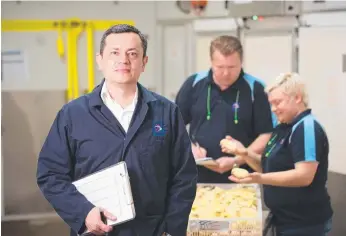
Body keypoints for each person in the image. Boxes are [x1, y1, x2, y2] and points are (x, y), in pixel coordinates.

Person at [37, 24, 197, 236]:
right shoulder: (72, 115)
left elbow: (184, 176)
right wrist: (83, 212)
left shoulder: (166, 112)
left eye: (133, 54)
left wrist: (171, 230)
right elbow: (50, 174)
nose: (124, 60)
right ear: (100, 60)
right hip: (95, 231)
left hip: (152, 231)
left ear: (144, 62)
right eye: (115, 53)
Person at [222, 73, 333, 236]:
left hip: (304, 224)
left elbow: (304, 176)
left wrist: (258, 179)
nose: (274, 109)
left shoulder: (307, 127)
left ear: (297, 98)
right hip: (283, 220)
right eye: (271, 104)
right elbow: (267, 167)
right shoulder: (283, 127)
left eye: (278, 102)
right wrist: (244, 152)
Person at [175, 35, 275, 183]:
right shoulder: (194, 83)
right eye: (220, 67)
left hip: (242, 175)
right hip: (198, 173)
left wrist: (237, 160)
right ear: (211, 62)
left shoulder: (256, 88)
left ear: (241, 62)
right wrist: (191, 148)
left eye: (232, 67)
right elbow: (175, 124)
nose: (226, 73)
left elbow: (266, 134)